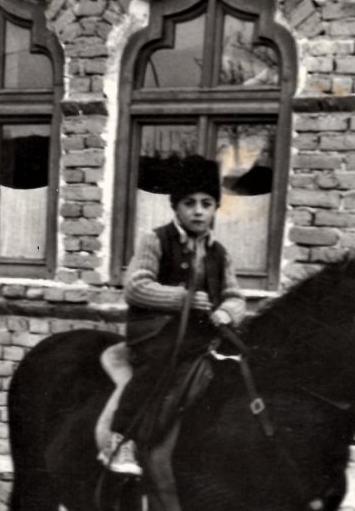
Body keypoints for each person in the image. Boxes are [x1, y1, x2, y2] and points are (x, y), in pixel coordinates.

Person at [100, 155, 246, 475]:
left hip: (201, 335)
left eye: (206, 203)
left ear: (215, 208)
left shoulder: (219, 254)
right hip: (155, 333)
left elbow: (235, 296)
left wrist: (227, 312)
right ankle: (122, 439)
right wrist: (184, 299)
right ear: (176, 207)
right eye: (189, 203)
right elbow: (136, 287)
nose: (198, 211)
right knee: (159, 366)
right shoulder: (156, 240)